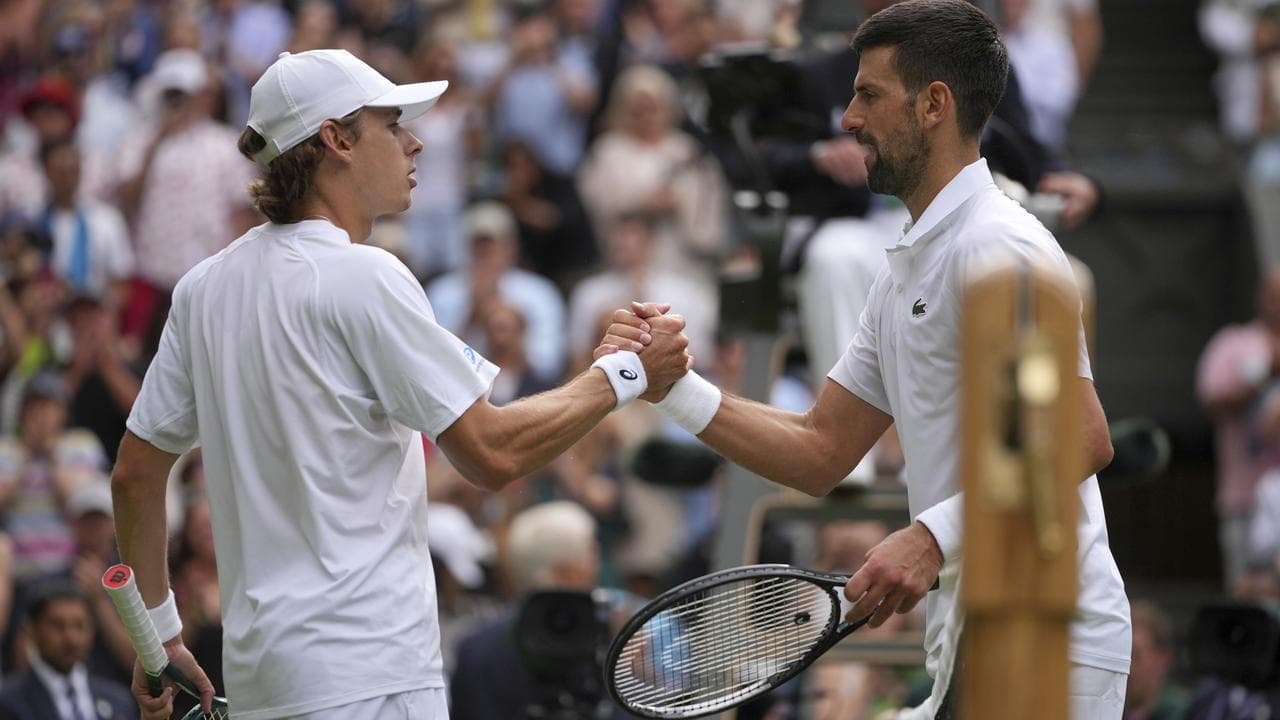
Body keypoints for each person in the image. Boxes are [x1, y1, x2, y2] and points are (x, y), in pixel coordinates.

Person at [108, 48, 691, 720]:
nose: (415, 141)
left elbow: (134, 476)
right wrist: (626, 374)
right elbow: (491, 452)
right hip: (371, 679)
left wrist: (160, 638)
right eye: (392, 124)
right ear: (335, 139)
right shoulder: (368, 276)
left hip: (264, 684)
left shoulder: (202, 289)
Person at [602, 2, 1130, 717]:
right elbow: (822, 450)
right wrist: (675, 388)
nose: (849, 117)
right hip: (975, 636)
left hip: (1048, 642)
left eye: (869, 95)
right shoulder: (905, 271)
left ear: (935, 105)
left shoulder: (997, 248)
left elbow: (1080, 437)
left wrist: (930, 537)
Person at [0, 585, 137, 720]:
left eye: (79, 625)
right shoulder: (8, 702)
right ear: (32, 630)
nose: (71, 639)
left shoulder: (119, 701)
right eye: (57, 626)